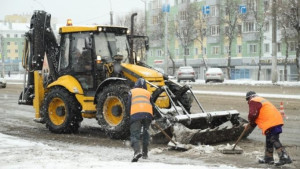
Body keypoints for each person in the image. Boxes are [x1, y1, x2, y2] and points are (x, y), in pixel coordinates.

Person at [245, 91, 292, 166]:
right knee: (269, 139)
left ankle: (284, 157)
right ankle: (268, 158)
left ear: (249, 98)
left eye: (247, 100)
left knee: (273, 139)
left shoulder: (253, 101)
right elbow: (257, 115)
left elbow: (253, 114)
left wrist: (250, 121)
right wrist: (252, 123)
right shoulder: (260, 100)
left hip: (271, 122)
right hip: (274, 121)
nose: (248, 102)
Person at [127, 78, 156, 162]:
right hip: (147, 115)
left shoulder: (132, 91)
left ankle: (137, 152)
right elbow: (152, 105)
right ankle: (145, 153)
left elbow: (129, 105)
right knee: (146, 133)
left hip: (135, 114)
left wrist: (129, 116)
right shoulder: (148, 93)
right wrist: (152, 116)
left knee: (135, 134)